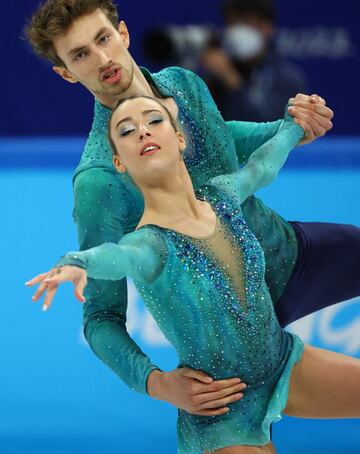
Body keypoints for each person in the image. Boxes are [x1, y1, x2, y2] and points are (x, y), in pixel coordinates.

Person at [25, 0, 357, 417]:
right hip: (224, 343)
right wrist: (156, 382)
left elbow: (225, 138)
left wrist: (290, 127)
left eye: (103, 39)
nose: (102, 59)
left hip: (285, 255)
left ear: (122, 33)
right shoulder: (100, 180)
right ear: (65, 72)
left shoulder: (184, 82)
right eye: (80, 54)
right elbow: (101, 316)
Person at [26, 95, 360, 454]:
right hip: (219, 408)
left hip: (284, 364)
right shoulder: (150, 244)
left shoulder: (222, 195)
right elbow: (116, 256)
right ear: (119, 162)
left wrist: (296, 124)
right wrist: (76, 262)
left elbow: (262, 167)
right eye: (126, 130)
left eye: (154, 121)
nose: (142, 131)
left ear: (179, 139)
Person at [201, 0, 309, 122]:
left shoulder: (287, 78)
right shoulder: (212, 73)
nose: (238, 31)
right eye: (233, 24)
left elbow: (270, 126)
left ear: (267, 27)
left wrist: (230, 80)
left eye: (246, 22)